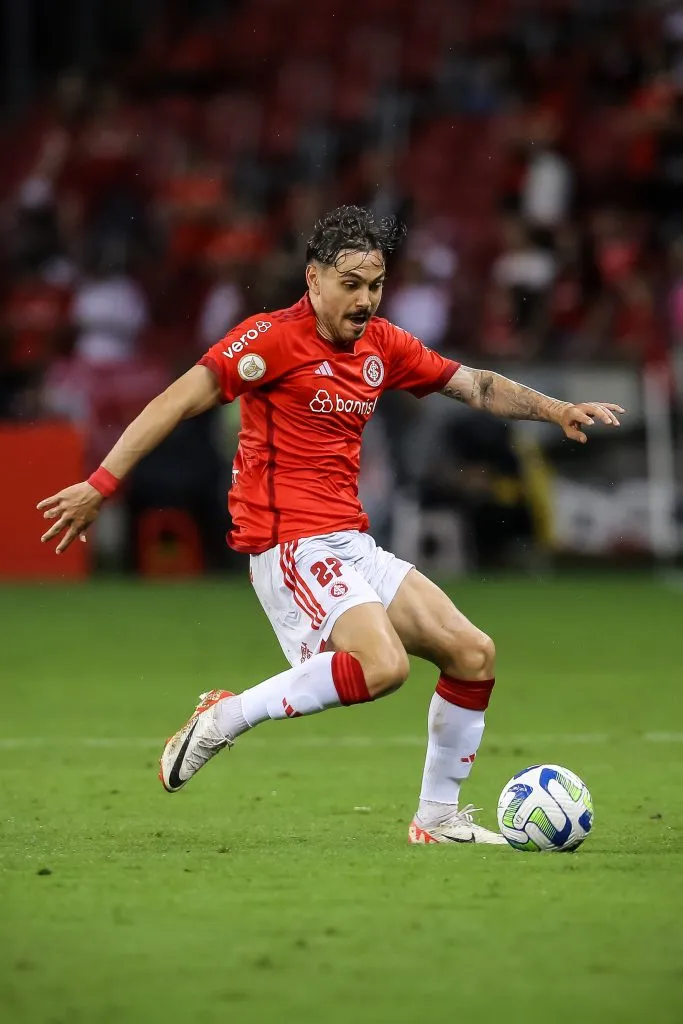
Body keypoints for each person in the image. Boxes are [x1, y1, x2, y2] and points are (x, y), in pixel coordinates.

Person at [37, 206, 624, 845]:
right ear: (314, 280)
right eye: (351, 284)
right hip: (287, 540)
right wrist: (101, 484)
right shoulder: (269, 339)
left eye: (375, 285)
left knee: (473, 654)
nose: (366, 299)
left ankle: (436, 820)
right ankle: (225, 716)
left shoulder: (383, 345)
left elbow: (476, 386)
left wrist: (556, 409)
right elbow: (175, 401)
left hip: (350, 541)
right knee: (383, 667)